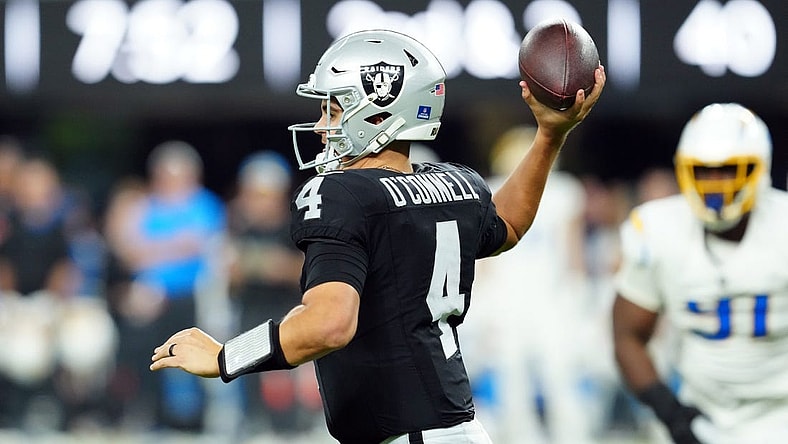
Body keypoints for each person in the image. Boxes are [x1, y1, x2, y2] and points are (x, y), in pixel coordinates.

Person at [151, 29, 605, 444]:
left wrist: (225, 357)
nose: (323, 126)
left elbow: (329, 324)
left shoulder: (340, 193)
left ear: (378, 111)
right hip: (452, 430)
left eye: (333, 108)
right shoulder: (454, 185)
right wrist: (550, 135)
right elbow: (508, 225)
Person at [612, 103, 788, 444]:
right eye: (704, 171)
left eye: (729, 170)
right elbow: (627, 335)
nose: (716, 183)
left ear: (759, 169)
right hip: (701, 413)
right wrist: (670, 412)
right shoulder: (659, 230)